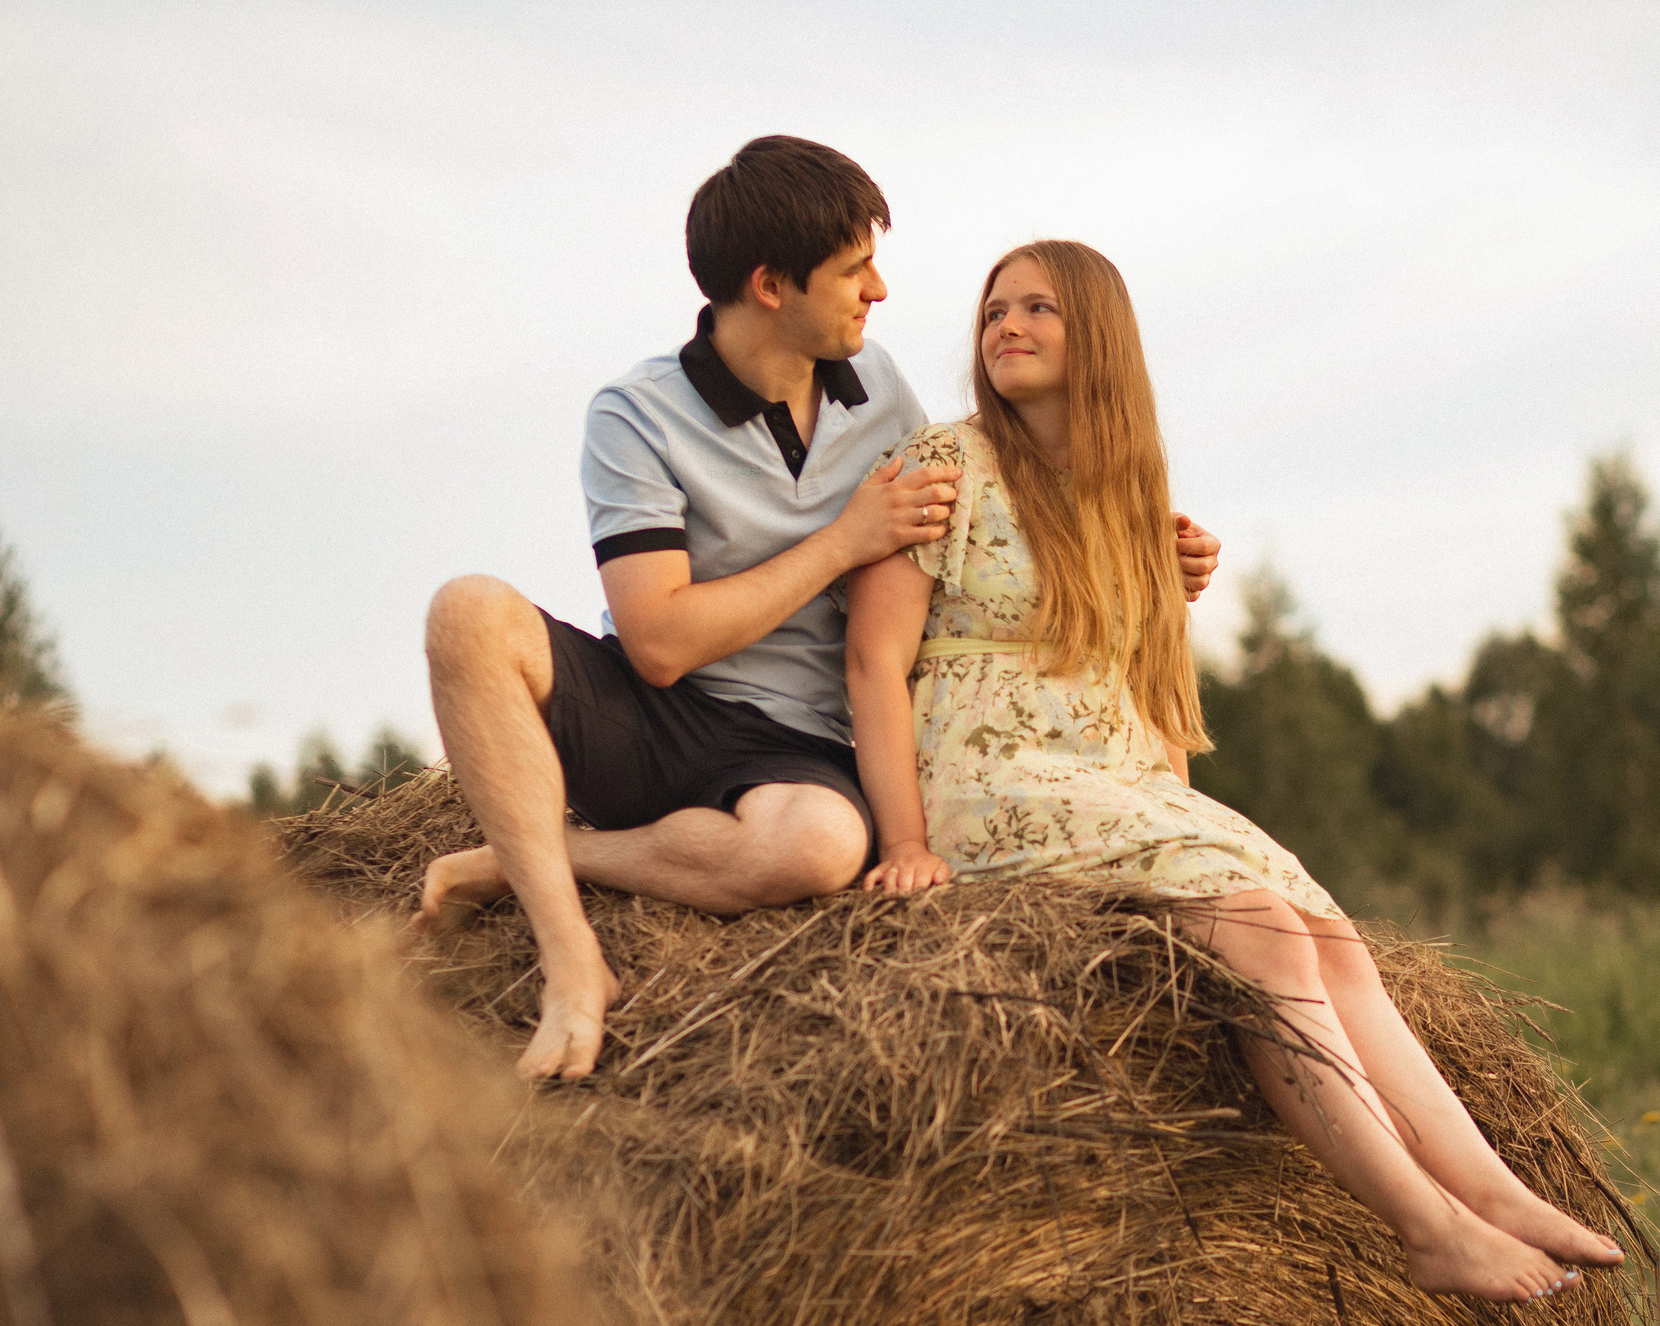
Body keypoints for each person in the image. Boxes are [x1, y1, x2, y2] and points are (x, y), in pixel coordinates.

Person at [842, 241, 1626, 1304]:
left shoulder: (1130, 494)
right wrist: (903, 842)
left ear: (1099, 338)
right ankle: (1424, 1222)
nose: (1006, 327)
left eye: (1038, 309)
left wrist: (1174, 797)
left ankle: (1490, 1189)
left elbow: (1150, 683)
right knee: (1263, 925)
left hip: (1107, 771)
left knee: (1319, 935)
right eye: (993, 312)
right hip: (991, 773)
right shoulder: (944, 463)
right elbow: (874, 659)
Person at [415, 140, 1223, 1081]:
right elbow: (661, 641)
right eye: (853, 270)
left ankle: (539, 852)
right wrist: (842, 542)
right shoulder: (635, 414)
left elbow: (984, 535)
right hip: (654, 709)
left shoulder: (878, 390)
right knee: (467, 612)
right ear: (769, 284)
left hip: (802, 747)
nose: (877, 290)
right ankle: (571, 963)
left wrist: (1145, 559)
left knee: (823, 846)